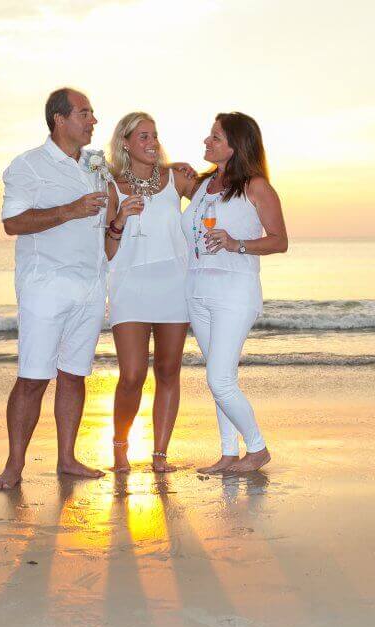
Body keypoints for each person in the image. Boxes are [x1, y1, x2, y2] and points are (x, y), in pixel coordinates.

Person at [0, 87, 109, 491]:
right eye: (85, 113)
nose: (93, 120)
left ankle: (67, 459)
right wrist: (70, 210)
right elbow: (13, 223)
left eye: (92, 113)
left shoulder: (95, 166)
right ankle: (14, 466)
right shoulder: (29, 165)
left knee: (75, 375)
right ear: (59, 119)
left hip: (91, 285)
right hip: (46, 286)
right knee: (33, 377)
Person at [181, 112, 289, 474]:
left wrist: (235, 243)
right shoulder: (201, 185)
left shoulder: (256, 186)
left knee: (219, 379)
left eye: (215, 137)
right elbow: (156, 173)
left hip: (234, 291)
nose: (206, 142)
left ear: (236, 145)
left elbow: (279, 241)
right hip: (197, 290)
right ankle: (229, 453)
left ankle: (256, 449)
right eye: (209, 135)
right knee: (219, 375)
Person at [103, 113, 198, 473]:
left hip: (175, 284)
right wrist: (120, 220)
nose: (152, 142)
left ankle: (160, 454)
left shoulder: (176, 178)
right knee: (131, 375)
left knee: (169, 370)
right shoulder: (110, 185)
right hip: (129, 287)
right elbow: (109, 251)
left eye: (155, 136)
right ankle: (119, 447)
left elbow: (212, 199)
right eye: (143, 136)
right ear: (125, 142)